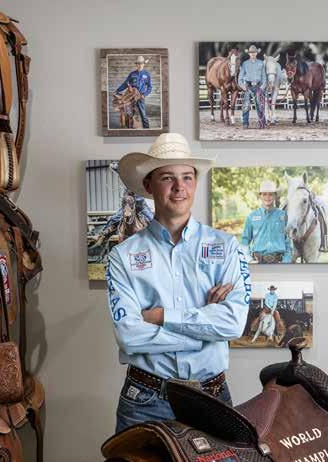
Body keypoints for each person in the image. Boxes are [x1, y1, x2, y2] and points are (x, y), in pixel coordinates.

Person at [106, 133, 251, 433]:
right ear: (149, 186)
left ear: (195, 183)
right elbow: (129, 336)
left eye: (187, 177)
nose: (179, 187)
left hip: (212, 397)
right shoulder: (122, 256)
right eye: (167, 178)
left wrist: (161, 316)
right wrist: (204, 332)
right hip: (145, 401)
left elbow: (233, 324)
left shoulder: (227, 247)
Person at [241, 180, 292, 263]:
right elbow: (245, 241)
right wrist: (249, 260)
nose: (267, 197)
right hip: (258, 263)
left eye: (270, 194)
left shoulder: (283, 216)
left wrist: (286, 261)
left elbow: (289, 242)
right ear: (260, 196)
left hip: (279, 263)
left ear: (275, 196)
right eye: (264, 194)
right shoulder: (252, 217)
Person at [116, 56, 152, 128]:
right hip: (131, 96)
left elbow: (150, 87)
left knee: (143, 115)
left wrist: (144, 95)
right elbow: (125, 84)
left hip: (140, 97)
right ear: (136, 64)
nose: (139, 65)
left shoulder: (147, 74)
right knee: (129, 114)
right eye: (138, 63)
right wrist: (117, 90)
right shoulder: (132, 74)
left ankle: (147, 130)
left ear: (143, 64)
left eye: (141, 63)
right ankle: (129, 129)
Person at [238, 45, 267, 129]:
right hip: (248, 86)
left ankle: (262, 122)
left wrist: (262, 88)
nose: (253, 54)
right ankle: (245, 123)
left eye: (254, 52)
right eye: (251, 53)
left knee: (260, 105)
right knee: (246, 105)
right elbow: (240, 78)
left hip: (258, 86)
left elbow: (264, 77)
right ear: (249, 54)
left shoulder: (261, 63)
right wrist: (243, 86)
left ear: (256, 53)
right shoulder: (245, 64)